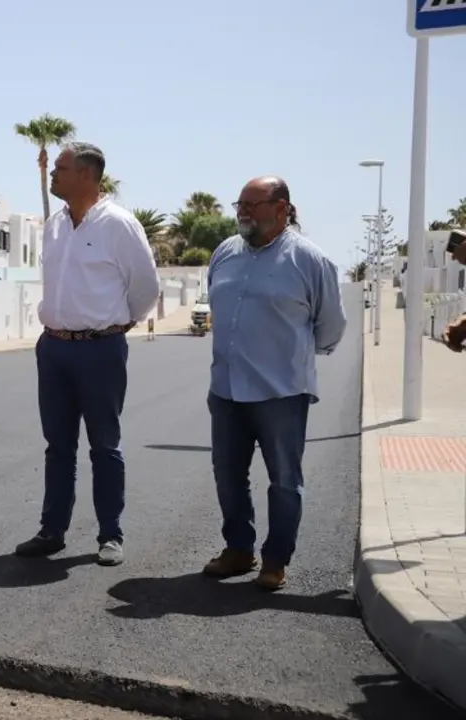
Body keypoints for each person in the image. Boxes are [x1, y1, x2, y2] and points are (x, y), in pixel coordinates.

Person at [14, 142, 159, 567]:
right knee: (57, 446)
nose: (52, 174)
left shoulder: (119, 225)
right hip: (54, 348)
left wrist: (119, 324)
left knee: (104, 446)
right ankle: (52, 531)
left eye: (59, 168)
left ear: (86, 176)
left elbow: (146, 288)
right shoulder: (55, 224)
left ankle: (110, 535)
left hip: (101, 350)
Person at [201, 177, 346, 591]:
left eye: (253, 203)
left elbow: (331, 325)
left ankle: (275, 560)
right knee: (228, 475)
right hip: (226, 390)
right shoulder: (225, 254)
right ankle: (238, 550)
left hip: (281, 393)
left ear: (282, 208)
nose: (242, 211)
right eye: (239, 204)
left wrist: (291, 357)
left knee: (284, 480)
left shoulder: (309, 260)